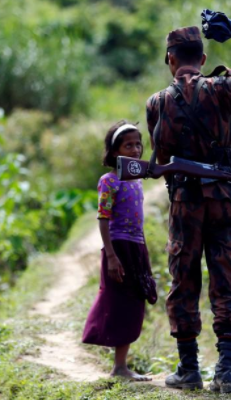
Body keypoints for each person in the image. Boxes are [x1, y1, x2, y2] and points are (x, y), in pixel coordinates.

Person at [145, 23, 231, 392]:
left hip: (184, 202)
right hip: (226, 199)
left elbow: (160, 158)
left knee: (183, 279)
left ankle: (189, 368)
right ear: (204, 58)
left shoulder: (156, 103)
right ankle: (225, 369)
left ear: (170, 59)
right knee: (228, 280)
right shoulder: (224, 87)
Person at [82, 121, 157, 381]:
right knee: (119, 302)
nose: (135, 149)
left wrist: (144, 253)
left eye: (138, 144)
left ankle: (121, 366)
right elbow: (103, 219)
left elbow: (139, 221)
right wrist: (111, 256)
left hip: (136, 247)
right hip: (119, 248)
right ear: (115, 151)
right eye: (128, 145)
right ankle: (119, 367)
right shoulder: (109, 181)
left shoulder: (136, 180)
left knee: (135, 303)